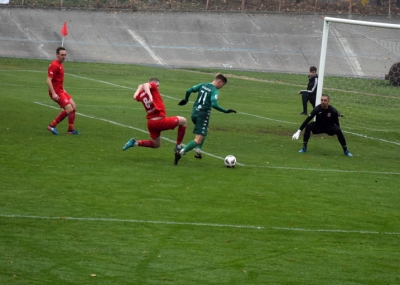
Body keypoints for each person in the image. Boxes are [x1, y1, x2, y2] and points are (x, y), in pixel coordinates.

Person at [174, 73, 236, 165]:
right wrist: (225, 111)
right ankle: (181, 152)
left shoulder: (203, 85)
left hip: (194, 113)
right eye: (222, 85)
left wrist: (186, 100)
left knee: (205, 130)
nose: (221, 87)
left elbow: (189, 90)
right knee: (198, 139)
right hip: (202, 115)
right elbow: (214, 104)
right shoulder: (214, 90)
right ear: (219, 82)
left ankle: (198, 152)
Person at [122, 78, 187, 153]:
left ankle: (135, 142)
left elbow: (134, 97)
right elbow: (146, 84)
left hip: (151, 123)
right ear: (153, 84)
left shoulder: (141, 94)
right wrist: (150, 97)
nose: (157, 87)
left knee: (156, 144)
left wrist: (139, 88)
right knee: (183, 121)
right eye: (157, 85)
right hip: (159, 121)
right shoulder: (153, 88)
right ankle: (178, 146)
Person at [46, 47, 79, 135]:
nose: (64, 57)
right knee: (69, 109)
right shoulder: (55, 65)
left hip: (61, 90)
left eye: (65, 55)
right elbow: (48, 80)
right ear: (57, 55)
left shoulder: (60, 64)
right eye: (62, 55)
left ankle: (71, 130)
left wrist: (64, 90)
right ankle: (52, 126)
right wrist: (53, 93)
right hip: (56, 92)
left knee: (74, 106)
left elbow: (58, 80)